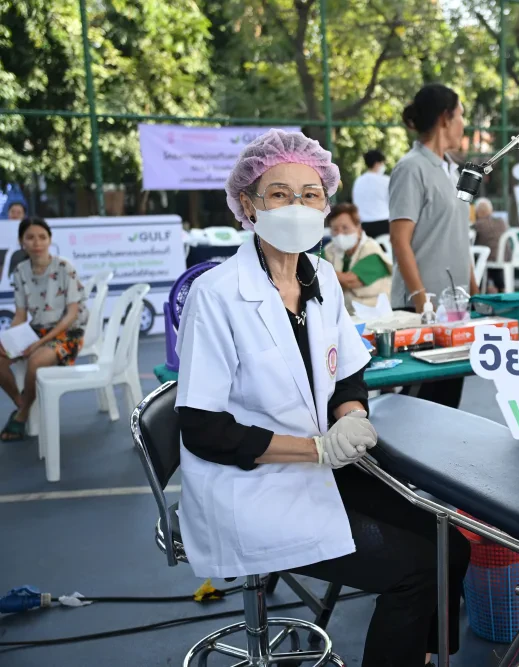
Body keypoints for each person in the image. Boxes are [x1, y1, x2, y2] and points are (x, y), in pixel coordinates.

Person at [175, 129, 469, 667]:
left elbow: (348, 371)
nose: (297, 205)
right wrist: (315, 450)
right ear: (248, 205)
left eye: (310, 194)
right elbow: (201, 427)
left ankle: (429, 656)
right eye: (279, 193)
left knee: (451, 541)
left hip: (322, 467)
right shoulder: (216, 295)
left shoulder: (322, 278)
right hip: (253, 486)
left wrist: (350, 415)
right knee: (415, 569)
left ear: (326, 204)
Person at [389, 83, 477, 408]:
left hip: (454, 308)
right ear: (445, 118)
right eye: (461, 115)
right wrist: (421, 301)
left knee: (447, 402)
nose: (464, 124)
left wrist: (474, 290)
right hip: (421, 310)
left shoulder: (452, 170)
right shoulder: (411, 168)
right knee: (419, 404)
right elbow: (399, 240)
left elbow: (458, 234)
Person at [0, 218, 89, 441]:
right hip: (37, 330)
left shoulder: (64, 267)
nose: (37, 242)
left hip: (69, 332)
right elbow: (20, 314)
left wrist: (38, 344)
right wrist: (10, 341)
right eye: (30, 237)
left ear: (50, 240)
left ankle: (21, 416)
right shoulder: (20, 271)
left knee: (36, 361)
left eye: (42, 237)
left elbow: (71, 315)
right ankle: (22, 403)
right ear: (22, 242)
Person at [323, 202, 392, 312]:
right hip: (345, 315)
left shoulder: (372, 251)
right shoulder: (329, 249)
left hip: (374, 315)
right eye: (335, 229)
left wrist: (322, 272)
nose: (340, 234)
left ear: (358, 228)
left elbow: (349, 281)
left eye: (345, 228)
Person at [352, 149, 391, 238]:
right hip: (384, 224)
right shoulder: (386, 180)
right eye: (383, 163)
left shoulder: (358, 181)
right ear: (377, 163)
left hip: (364, 225)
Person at [472, 197, 508, 292]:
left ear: (477, 212)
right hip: (505, 257)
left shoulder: (478, 225)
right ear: (491, 210)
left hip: (489, 259)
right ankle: (500, 287)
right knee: (493, 253)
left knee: (475, 257)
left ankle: (479, 288)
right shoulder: (501, 222)